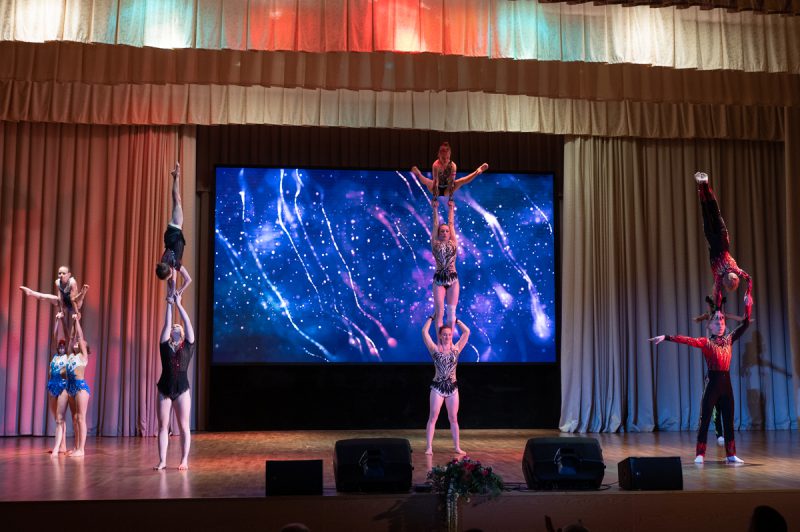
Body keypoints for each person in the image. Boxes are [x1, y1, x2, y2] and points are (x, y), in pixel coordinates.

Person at [649, 299, 751, 464]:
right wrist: (666, 337)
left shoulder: (730, 339)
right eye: (716, 321)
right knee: (705, 419)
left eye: (722, 320)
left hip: (726, 384)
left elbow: (745, 324)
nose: (720, 323)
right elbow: (686, 340)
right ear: (710, 326)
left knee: (728, 420)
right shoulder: (706, 342)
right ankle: (700, 453)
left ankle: (731, 454)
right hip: (712, 384)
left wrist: (747, 304)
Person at [694, 172, 752, 316]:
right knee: (709, 214)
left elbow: (748, 279)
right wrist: (747, 296)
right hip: (716, 240)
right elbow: (717, 294)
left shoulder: (734, 271)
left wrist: (748, 294)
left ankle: (703, 185)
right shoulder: (722, 276)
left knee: (713, 213)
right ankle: (703, 185)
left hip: (719, 239)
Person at [154, 286, 195, 471]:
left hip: (182, 389)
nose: (175, 327)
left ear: (183, 333)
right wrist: (169, 304)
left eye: (178, 327)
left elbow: (187, 323)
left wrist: (179, 304)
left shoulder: (188, 345)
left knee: (184, 426)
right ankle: (162, 461)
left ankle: (184, 460)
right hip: (164, 388)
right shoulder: (164, 345)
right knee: (163, 426)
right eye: (173, 328)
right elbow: (166, 323)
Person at [421, 315, 470, 455]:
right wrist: (431, 318)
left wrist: (457, 320)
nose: (447, 336)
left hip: (453, 388)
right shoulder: (434, 349)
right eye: (444, 334)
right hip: (437, 387)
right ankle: (429, 447)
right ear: (440, 336)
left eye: (449, 334)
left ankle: (457, 447)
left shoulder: (456, 349)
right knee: (433, 417)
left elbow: (466, 332)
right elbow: (424, 332)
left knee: (453, 418)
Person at [155, 162, 191, 295]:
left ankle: (177, 175)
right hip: (170, 234)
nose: (170, 279)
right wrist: (172, 291)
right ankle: (176, 176)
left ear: (169, 270)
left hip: (175, 230)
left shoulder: (174, 264)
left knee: (177, 200)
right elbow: (172, 278)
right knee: (176, 201)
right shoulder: (164, 263)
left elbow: (188, 280)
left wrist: (178, 291)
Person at [20, 265, 89, 333]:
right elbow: (60, 297)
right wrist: (61, 311)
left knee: (76, 299)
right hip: (65, 302)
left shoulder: (72, 282)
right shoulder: (57, 282)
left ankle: (82, 294)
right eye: (59, 273)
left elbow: (72, 299)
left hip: (75, 304)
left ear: (69, 275)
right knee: (47, 296)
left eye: (64, 273)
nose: (61, 275)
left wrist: (77, 313)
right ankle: (31, 292)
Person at [411, 142, 488, 198]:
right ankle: (419, 174)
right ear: (439, 156)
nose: (445, 160)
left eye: (447, 158)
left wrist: (450, 197)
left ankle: (476, 172)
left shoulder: (453, 166)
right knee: (427, 181)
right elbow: (435, 181)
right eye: (443, 158)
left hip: (447, 189)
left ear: (450, 155)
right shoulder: (435, 165)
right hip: (436, 188)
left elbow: (451, 183)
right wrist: (435, 196)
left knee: (461, 181)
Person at [431, 198, 459, 333]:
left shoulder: (453, 242)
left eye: (447, 231)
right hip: (439, 281)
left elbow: (451, 224)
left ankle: (449, 342)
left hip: (453, 279)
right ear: (438, 233)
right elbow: (435, 224)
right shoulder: (435, 243)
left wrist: (451, 208)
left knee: (451, 314)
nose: (445, 233)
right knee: (440, 313)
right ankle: (440, 342)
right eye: (442, 231)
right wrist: (435, 209)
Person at [66, 315, 91, 457]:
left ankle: (81, 449)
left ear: (85, 348)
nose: (78, 343)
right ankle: (76, 447)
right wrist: (73, 323)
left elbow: (80, 338)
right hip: (71, 388)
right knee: (74, 418)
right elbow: (72, 338)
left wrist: (77, 321)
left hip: (80, 388)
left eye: (81, 343)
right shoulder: (71, 356)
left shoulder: (83, 356)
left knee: (81, 418)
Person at [47, 313, 70, 456]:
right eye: (60, 346)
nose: (61, 347)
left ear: (65, 347)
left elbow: (67, 337)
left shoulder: (67, 357)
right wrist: (56, 321)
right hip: (52, 386)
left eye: (63, 346)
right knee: (57, 418)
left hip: (62, 387)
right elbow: (54, 338)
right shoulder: (55, 356)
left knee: (59, 419)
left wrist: (63, 320)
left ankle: (57, 448)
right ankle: (63, 446)